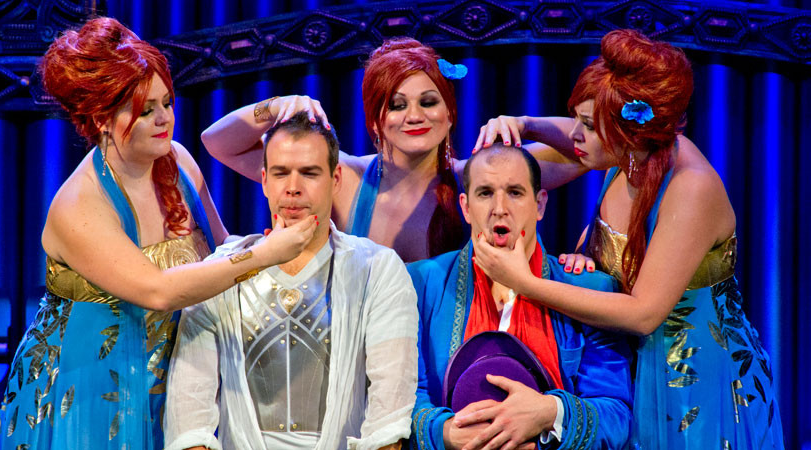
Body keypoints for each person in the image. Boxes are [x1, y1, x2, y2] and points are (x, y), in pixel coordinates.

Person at [0, 18, 316, 450]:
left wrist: (272, 109)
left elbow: (220, 250)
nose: (164, 119)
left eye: (166, 102)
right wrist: (265, 254)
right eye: (145, 110)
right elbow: (159, 292)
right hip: (91, 389)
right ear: (102, 118)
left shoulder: (176, 161)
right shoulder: (80, 205)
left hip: (176, 373)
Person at [474, 29, 784, 448]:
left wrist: (526, 283)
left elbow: (643, 314)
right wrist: (524, 124)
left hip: (692, 381)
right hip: (630, 364)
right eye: (578, 119)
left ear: (630, 132)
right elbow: (562, 146)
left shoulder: (690, 188)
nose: (575, 135)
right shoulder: (628, 156)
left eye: (587, 126)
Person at [163, 112, 419, 450]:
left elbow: (388, 418)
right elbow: (188, 417)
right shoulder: (218, 273)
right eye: (281, 173)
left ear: (336, 179)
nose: (293, 187)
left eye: (309, 173)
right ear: (264, 180)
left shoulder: (378, 270)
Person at [408, 143, 632, 450]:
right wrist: (447, 433)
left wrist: (549, 413)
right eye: (485, 193)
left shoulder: (589, 289)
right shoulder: (420, 284)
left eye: (515, 192)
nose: (500, 208)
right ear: (466, 207)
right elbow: (400, 397)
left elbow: (617, 416)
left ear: (540, 205)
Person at [202, 38, 488, 263]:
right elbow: (217, 142)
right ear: (374, 121)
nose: (414, 116)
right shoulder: (345, 177)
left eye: (428, 102)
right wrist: (275, 107)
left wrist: (515, 129)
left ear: (450, 113)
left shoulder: (475, 179)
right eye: (397, 105)